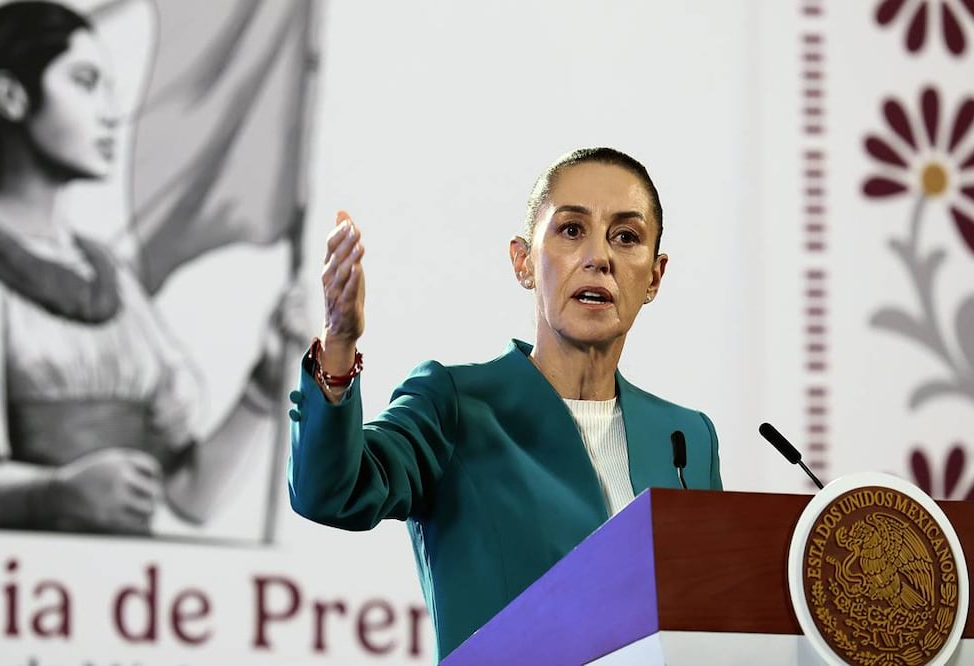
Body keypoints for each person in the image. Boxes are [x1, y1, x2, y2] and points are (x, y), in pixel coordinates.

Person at [288, 147, 724, 660]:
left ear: (653, 276)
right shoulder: (454, 404)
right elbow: (330, 491)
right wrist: (338, 346)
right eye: (571, 230)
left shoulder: (687, 437)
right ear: (523, 262)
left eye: (626, 237)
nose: (599, 257)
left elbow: (712, 620)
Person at [0, 1, 293, 535]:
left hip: (120, 602)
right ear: (12, 96)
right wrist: (52, 494)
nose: (110, 111)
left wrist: (265, 385)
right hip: (6, 598)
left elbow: (189, 497)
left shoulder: (113, 282)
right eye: (85, 82)